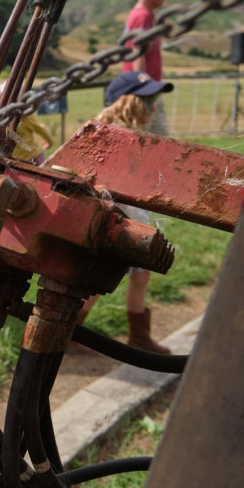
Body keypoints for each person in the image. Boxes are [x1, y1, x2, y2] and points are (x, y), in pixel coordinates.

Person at [76, 71, 175, 354]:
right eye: (147, 100)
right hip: (119, 214)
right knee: (100, 278)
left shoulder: (134, 135)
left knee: (139, 275)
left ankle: (139, 336)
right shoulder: (113, 134)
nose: (153, 106)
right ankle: (70, 330)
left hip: (133, 211)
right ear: (128, 102)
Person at [121, 0, 170, 137]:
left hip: (145, 87)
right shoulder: (143, 16)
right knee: (159, 141)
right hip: (146, 89)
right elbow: (138, 55)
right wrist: (143, 91)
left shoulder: (142, 15)